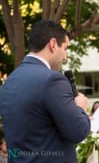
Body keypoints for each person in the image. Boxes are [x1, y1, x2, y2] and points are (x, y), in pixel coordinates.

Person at [0, 20, 90, 162]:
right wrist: (80, 108)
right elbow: (78, 131)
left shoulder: (9, 81)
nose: (65, 56)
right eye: (65, 48)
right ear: (53, 44)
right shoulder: (53, 80)